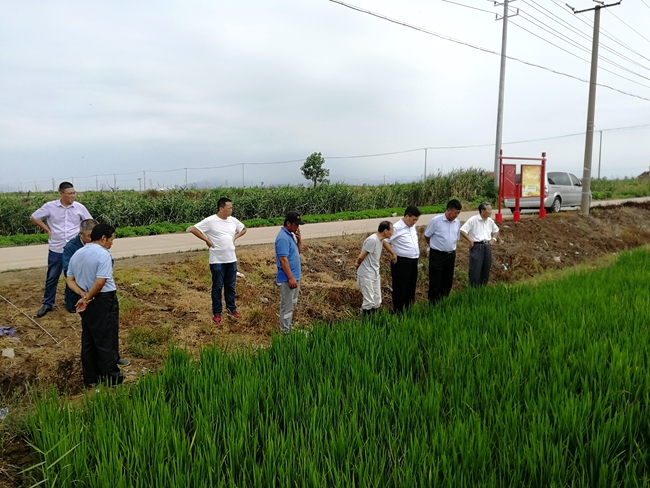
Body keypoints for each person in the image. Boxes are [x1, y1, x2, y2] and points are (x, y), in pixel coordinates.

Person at [66, 224, 124, 387]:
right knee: (106, 338)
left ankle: (91, 378)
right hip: (102, 299)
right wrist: (88, 297)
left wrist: (83, 294)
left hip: (87, 298)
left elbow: (69, 279)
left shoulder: (78, 253)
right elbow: (100, 282)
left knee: (89, 338)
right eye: (111, 239)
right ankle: (112, 378)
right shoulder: (103, 254)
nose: (112, 242)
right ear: (103, 238)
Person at [30, 182, 92, 318]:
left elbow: (89, 223)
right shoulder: (50, 206)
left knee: (73, 276)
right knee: (52, 276)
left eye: (74, 193)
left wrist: (83, 236)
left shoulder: (79, 207)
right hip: (56, 247)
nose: (73, 196)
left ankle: (71, 303)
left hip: (74, 249)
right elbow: (34, 217)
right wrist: (47, 229)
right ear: (61, 193)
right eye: (69, 194)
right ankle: (47, 303)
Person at [187, 197, 247, 324]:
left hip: (231, 259)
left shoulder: (233, 221)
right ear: (221, 208)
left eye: (231, 207)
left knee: (230, 286)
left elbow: (244, 229)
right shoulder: (210, 221)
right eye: (229, 208)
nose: (231, 210)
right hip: (217, 260)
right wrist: (207, 240)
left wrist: (235, 237)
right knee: (217, 287)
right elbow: (192, 229)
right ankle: (217, 312)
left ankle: (232, 309)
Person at [382, 206, 421, 314]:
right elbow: (384, 241)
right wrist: (392, 253)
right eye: (413, 219)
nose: (414, 222)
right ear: (407, 216)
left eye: (416, 220)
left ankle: (408, 309)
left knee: (411, 286)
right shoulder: (396, 227)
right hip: (402, 261)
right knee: (400, 287)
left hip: (413, 260)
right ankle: (398, 311)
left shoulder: (412, 226)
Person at [424, 199, 462, 305]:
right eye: (455, 213)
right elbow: (427, 236)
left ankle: (444, 302)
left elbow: (456, 238)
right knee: (435, 280)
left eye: (458, 213)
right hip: (437, 255)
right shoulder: (436, 221)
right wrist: (434, 246)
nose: (456, 215)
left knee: (447, 280)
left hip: (451, 255)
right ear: (449, 210)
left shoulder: (457, 223)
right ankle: (433, 304)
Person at [355, 221, 394, 316]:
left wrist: (393, 253)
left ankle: (374, 319)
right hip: (366, 274)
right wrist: (357, 263)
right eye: (391, 230)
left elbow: (384, 243)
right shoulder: (372, 240)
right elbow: (361, 256)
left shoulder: (380, 239)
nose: (392, 233)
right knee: (369, 300)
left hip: (375, 273)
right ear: (385, 231)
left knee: (377, 299)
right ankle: (367, 320)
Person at [275, 211, 305, 334]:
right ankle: (285, 333)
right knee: (287, 307)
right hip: (288, 278)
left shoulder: (290, 236)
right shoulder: (282, 238)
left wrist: (299, 240)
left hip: (294, 276)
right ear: (288, 223)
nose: (297, 227)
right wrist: (291, 278)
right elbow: (283, 259)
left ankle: (289, 328)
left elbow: (298, 252)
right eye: (296, 224)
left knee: (292, 304)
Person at [460, 202, 500, 287]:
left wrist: (493, 239)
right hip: (477, 246)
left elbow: (496, 230)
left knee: (486, 268)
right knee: (475, 269)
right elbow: (463, 230)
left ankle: (483, 289)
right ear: (482, 211)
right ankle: (473, 290)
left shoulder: (490, 221)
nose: (491, 211)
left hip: (487, 246)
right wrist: (470, 241)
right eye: (489, 210)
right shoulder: (473, 220)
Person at [62, 219, 98, 313]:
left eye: (95, 235)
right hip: (77, 284)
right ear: (81, 234)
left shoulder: (99, 243)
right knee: (74, 308)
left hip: (95, 282)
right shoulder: (71, 247)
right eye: (89, 236)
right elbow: (67, 270)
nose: (92, 239)